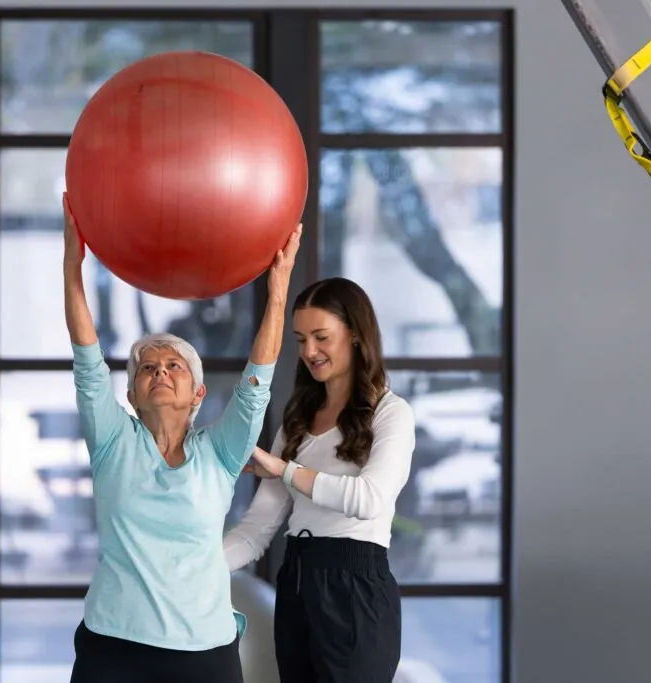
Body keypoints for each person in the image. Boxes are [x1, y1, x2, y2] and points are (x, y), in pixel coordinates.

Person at [62, 192, 301, 683]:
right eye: (148, 367)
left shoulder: (220, 451)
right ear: (130, 392)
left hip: (203, 648)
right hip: (113, 644)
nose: (161, 372)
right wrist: (72, 269)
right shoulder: (113, 443)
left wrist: (277, 293)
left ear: (198, 393)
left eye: (174, 366)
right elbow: (88, 362)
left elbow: (257, 384)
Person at [223, 277, 417, 683]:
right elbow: (257, 530)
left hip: (356, 586)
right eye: (300, 339)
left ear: (356, 334)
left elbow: (370, 499)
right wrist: (187, 569)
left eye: (321, 336)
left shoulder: (391, 414)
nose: (309, 351)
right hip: (296, 581)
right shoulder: (297, 419)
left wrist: (283, 470)